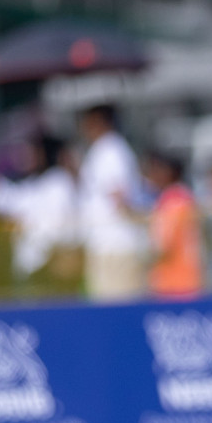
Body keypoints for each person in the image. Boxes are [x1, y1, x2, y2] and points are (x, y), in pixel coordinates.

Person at [0, 133, 79, 283]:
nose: (26, 157)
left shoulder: (59, 183)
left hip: (52, 264)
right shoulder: (33, 183)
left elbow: (59, 225)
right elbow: (10, 200)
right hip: (31, 267)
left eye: (33, 152)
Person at [77, 104, 147, 302]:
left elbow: (120, 196)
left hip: (115, 244)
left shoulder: (111, 150)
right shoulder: (103, 150)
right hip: (106, 243)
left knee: (117, 308)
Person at [143, 152, 204, 299]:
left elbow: (164, 244)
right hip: (186, 279)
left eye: (157, 169)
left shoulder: (173, 201)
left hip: (175, 282)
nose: (153, 175)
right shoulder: (184, 197)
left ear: (169, 172)